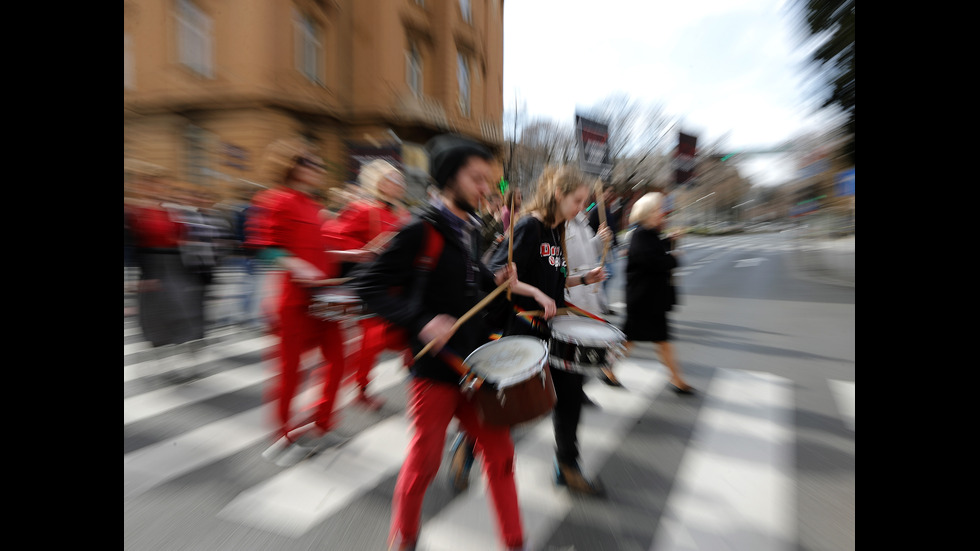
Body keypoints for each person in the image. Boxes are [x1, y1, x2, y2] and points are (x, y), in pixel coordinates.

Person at [356, 133, 554, 551]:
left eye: (489, 180)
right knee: (425, 463)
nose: (486, 188)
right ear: (449, 178)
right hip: (434, 371)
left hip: (479, 366)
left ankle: (514, 542)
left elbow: (470, 284)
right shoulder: (419, 230)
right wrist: (421, 320)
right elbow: (368, 285)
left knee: (500, 460)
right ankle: (404, 537)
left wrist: (499, 282)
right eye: (477, 178)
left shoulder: (470, 230)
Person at [460, 164, 607, 497]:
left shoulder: (558, 232)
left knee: (569, 397)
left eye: (584, 202)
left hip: (552, 328)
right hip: (523, 326)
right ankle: (468, 445)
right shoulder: (530, 226)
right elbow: (501, 275)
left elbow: (555, 281)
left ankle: (567, 466)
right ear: (558, 194)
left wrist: (585, 279)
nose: (581, 208)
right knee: (513, 404)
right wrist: (537, 293)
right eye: (577, 200)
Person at [246, 138, 374, 467]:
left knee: (338, 360)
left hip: (326, 298)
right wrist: (298, 267)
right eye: (311, 163)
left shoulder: (314, 206)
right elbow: (266, 246)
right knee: (290, 371)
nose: (318, 169)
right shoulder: (275, 200)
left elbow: (321, 249)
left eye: (318, 164)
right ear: (292, 165)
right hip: (294, 302)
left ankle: (322, 424)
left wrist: (354, 254)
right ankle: (282, 435)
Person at [321, 159, 411, 410]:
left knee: (394, 338)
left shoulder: (403, 213)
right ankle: (358, 387)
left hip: (398, 287)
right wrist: (363, 251)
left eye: (400, 178)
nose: (400, 183)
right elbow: (331, 238)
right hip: (372, 287)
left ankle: (359, 382)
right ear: (379, 182)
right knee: (371, 341)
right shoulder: (364, 210)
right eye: (393, 178)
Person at [126, 169, 209, 379]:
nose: (159, 190)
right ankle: (161, 363)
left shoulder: (173, 212)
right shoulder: (136, 213)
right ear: (143, 187)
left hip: (176, 268)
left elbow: (185, 240)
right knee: (155, 318)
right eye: (154, 185)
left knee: (183, 313)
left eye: (162, 186)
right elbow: (132, 245)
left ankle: (183, 361)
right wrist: (143, 275)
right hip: (152, 268)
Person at [622, 192, 694, 394]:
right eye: (657, 210)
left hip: (649, 299)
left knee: (656, 340)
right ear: (646, 213)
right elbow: (654, 261)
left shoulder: (648, 234)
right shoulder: (641, 235)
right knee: (634, 340)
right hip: (644, 300)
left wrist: (670, 241)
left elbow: (656, 250)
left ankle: (676, 379)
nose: (661, 213)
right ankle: (676, 379)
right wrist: (674, 258)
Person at [587, 181, 622, 313]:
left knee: (608, 275)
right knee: (607, 274)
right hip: (602, 248)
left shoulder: (607, 209)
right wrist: (598, 238)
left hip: (610, 247)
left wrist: (616, 244)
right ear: (601, 193)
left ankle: (602, 302)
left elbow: (613, 228)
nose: (610, 195)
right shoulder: (596, 210)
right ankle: (601, 303)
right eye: (608, 192)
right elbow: (590, 229)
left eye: (611, 192)